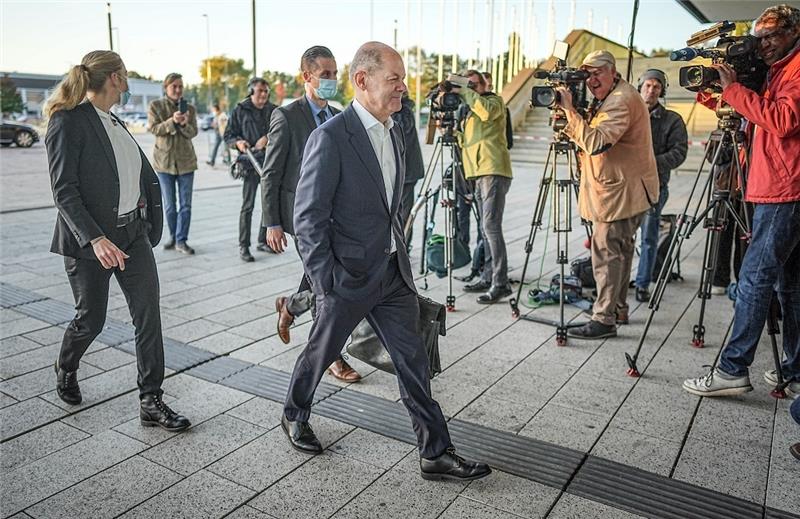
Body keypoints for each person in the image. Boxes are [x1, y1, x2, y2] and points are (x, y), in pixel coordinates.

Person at [282, 41, 491, 482]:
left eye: (402, 79)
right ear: (362, 81)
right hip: (347, 277)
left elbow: (392, 205)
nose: (403, 88)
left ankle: (435, 452)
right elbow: (308, 218)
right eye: (394, 79)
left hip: (392, 275)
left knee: (413, 360)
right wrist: (327, 282)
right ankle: (294, 412)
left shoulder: (395, 129)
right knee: (321, 351)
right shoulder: (331, 137)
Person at [43, 50, 190, 431]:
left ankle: (151, 399)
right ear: (115, 79)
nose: (127, 79)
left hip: (131, 234)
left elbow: (132, 175)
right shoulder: (68, 122)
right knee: (91, 319)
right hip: (92, 243)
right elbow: (64, 191)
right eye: (125, 74)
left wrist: (142, 209)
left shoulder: (114, 121)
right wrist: (95, 238)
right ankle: (67, 364)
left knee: (148, 315)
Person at [684, 4, 800, 397]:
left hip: (785, 189)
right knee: (790, 284)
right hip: (777, 185)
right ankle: (796, 368)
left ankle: (733, 369)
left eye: (773, 36)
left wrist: (734, 90)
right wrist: (720, 90)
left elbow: (783, 120)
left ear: (794, 32)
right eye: (760, 37)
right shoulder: (776, 69)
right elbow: (752, 111)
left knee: (754, 278)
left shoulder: (797, 67)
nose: (764, 44)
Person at [262, 45, 360, 382]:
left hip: (335, 217)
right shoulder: (287, 116)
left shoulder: (337, 115)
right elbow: (271, 172)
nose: (332, 80)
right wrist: (272, 222)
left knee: (323, 281)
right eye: (325, 75)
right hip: (302, 219)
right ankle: (332, 356)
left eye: (335, 74)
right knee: (326, 287)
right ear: (307, 76)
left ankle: (289, 306)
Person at [555, 50, 659, 339]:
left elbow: (597, 142)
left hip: (622, 192)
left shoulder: (621, 100)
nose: (591, 79)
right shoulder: (612, 95)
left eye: (598, 72)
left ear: (613, 71)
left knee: (605, 251)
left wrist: (570, 112)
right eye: (587, 73)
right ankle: (617, 308)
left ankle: (603, 320)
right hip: (627, 189)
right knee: (621, 251)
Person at [457, 69, 514, 304]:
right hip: (478, 172)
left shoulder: (494, 102)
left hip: (493, 169)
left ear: (483, 85)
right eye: (466, 85)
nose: (469, 89)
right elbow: (468, 142)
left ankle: (500, 283)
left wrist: (464, 91)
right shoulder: (469, 111)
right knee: (485, 229)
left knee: (491, 226)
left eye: (473, 84)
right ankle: (488, 276)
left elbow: (487, 114)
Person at [632, 69, 688, 302]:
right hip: (625, 186)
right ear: (640, 87)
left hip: (654, 187)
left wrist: (651, 163)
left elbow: (679, 153)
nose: (651, 90)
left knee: (648, 238)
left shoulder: (672, 120)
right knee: (620, 238)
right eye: (647, 85)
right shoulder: (629, 114)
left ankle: (643, 283)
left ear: (662, 90)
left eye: (656, 86)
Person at [224, 77, 276, 262]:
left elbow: (282, 132)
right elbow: (228, 135)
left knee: (268, 204)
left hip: (269, 163)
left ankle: (263, 240)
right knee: (248, 206)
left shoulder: (274, 110)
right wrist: (238, 143)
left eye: (266, 91)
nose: (263, 94)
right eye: (260, 90)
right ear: (251, 92)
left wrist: (268, 137)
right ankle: (244, 246)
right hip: (249, 163)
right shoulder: (240, 110)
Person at [148, 72, 198, 255]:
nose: (178, 90)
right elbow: (154, 128)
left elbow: (194, 132)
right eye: (174, 86)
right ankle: (173, 236)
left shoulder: (189, 108)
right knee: (169, 205)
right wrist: (172, 121)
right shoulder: (156, 106)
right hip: (164, 163)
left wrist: (184, 124)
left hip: (186, 162)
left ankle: (181, 240)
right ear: (166, 88)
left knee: (186, 205)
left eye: (180, 86)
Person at [394, 91, 425, 247]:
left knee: (404, 213)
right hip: (400, 170)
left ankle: (404, 245)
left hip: (407, 172)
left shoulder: (404, 111)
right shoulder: (402, 110)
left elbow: (400, 132)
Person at [206, 102, 230, 167]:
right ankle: (212, 161)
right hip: (218, 133)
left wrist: (225, 131)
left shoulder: (223, 115)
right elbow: (216, 124)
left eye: (214, 110)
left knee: (226, 148)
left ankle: (228, 161)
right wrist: (214, 125)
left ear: (217, 109)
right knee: (215, 147)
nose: (213, 111)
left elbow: (226, 124)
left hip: (223, 133)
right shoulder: (216, 116)